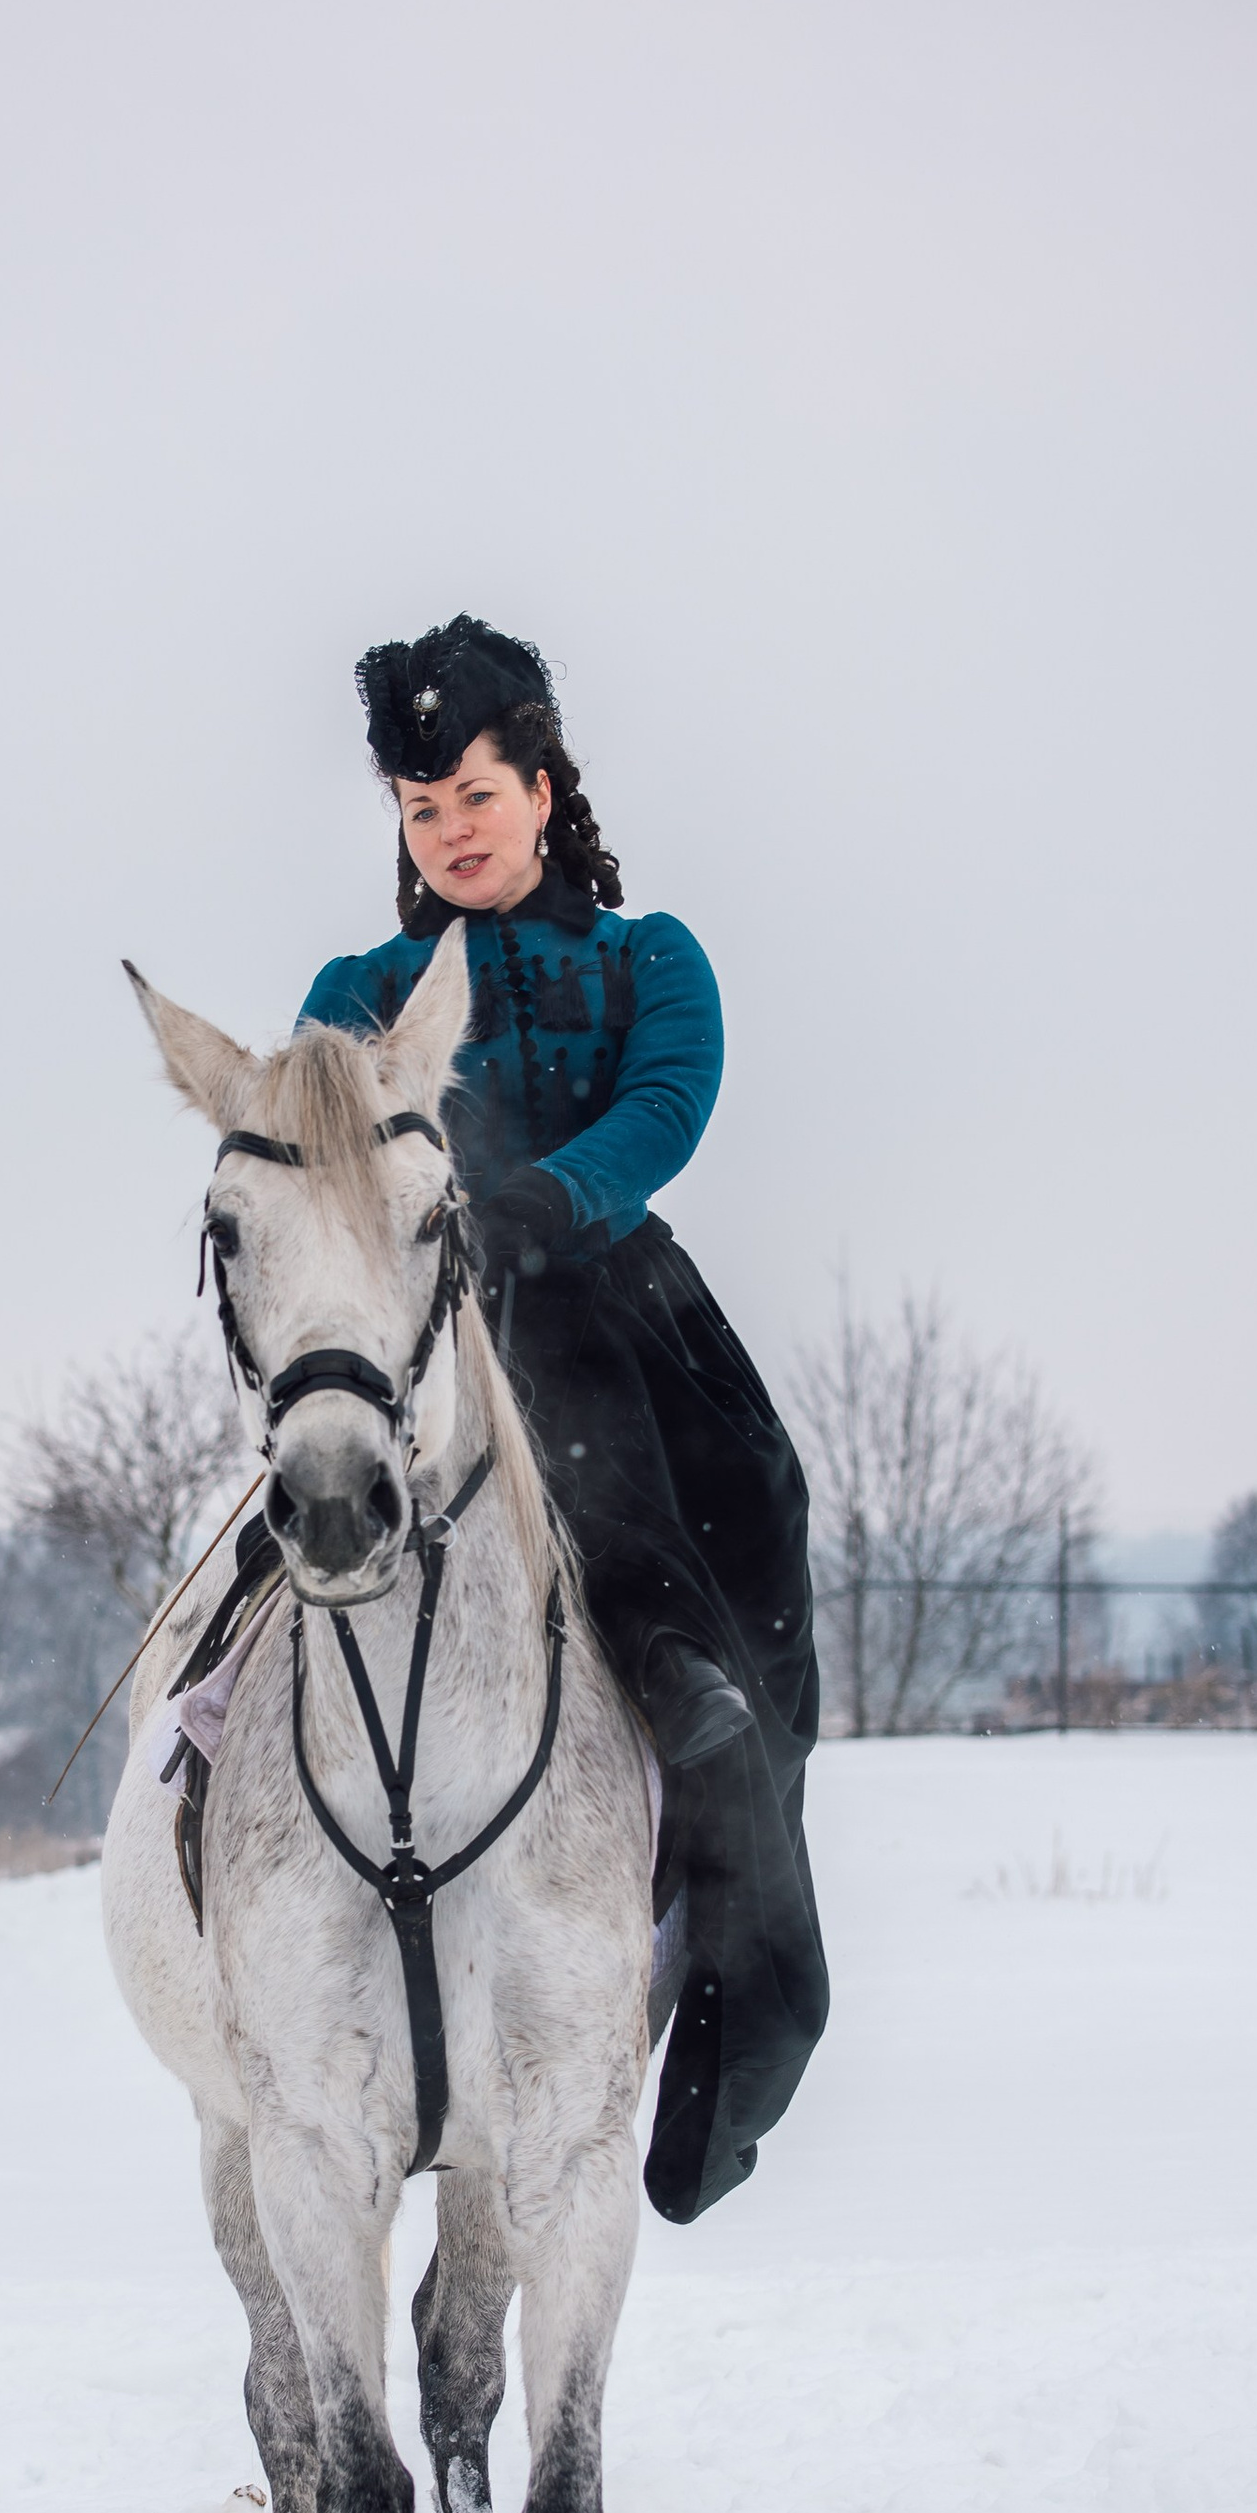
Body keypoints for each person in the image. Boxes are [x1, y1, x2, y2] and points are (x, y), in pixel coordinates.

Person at [298, 613, 828, 2222]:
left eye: (473, 793)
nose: (451, 831)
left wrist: (544, 1196)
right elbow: (324, 1152)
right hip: (433, 1332)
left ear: (541, 785)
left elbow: (667, 1105)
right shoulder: (358, 989)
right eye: (419, 808)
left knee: (755, 1503)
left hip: (622, 1307)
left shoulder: (649, 960)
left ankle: (734, 1922)